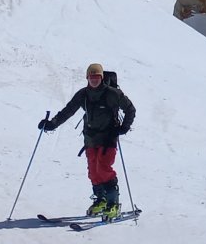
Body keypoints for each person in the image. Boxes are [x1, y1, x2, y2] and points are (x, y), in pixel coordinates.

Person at [41, 63, 135, 216]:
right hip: (90, 138)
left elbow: (130, 109)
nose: (94, 80)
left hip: (108, 137)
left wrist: (124, 127)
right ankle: (101, 200)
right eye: (91, 77)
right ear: (87, 78)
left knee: (103, 168)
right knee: (93, 171)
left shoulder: (113, 93)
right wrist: (52, 124)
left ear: (102, 77)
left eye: (97, 77)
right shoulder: (83, 94)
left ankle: (113, 203)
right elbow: (68, 110)